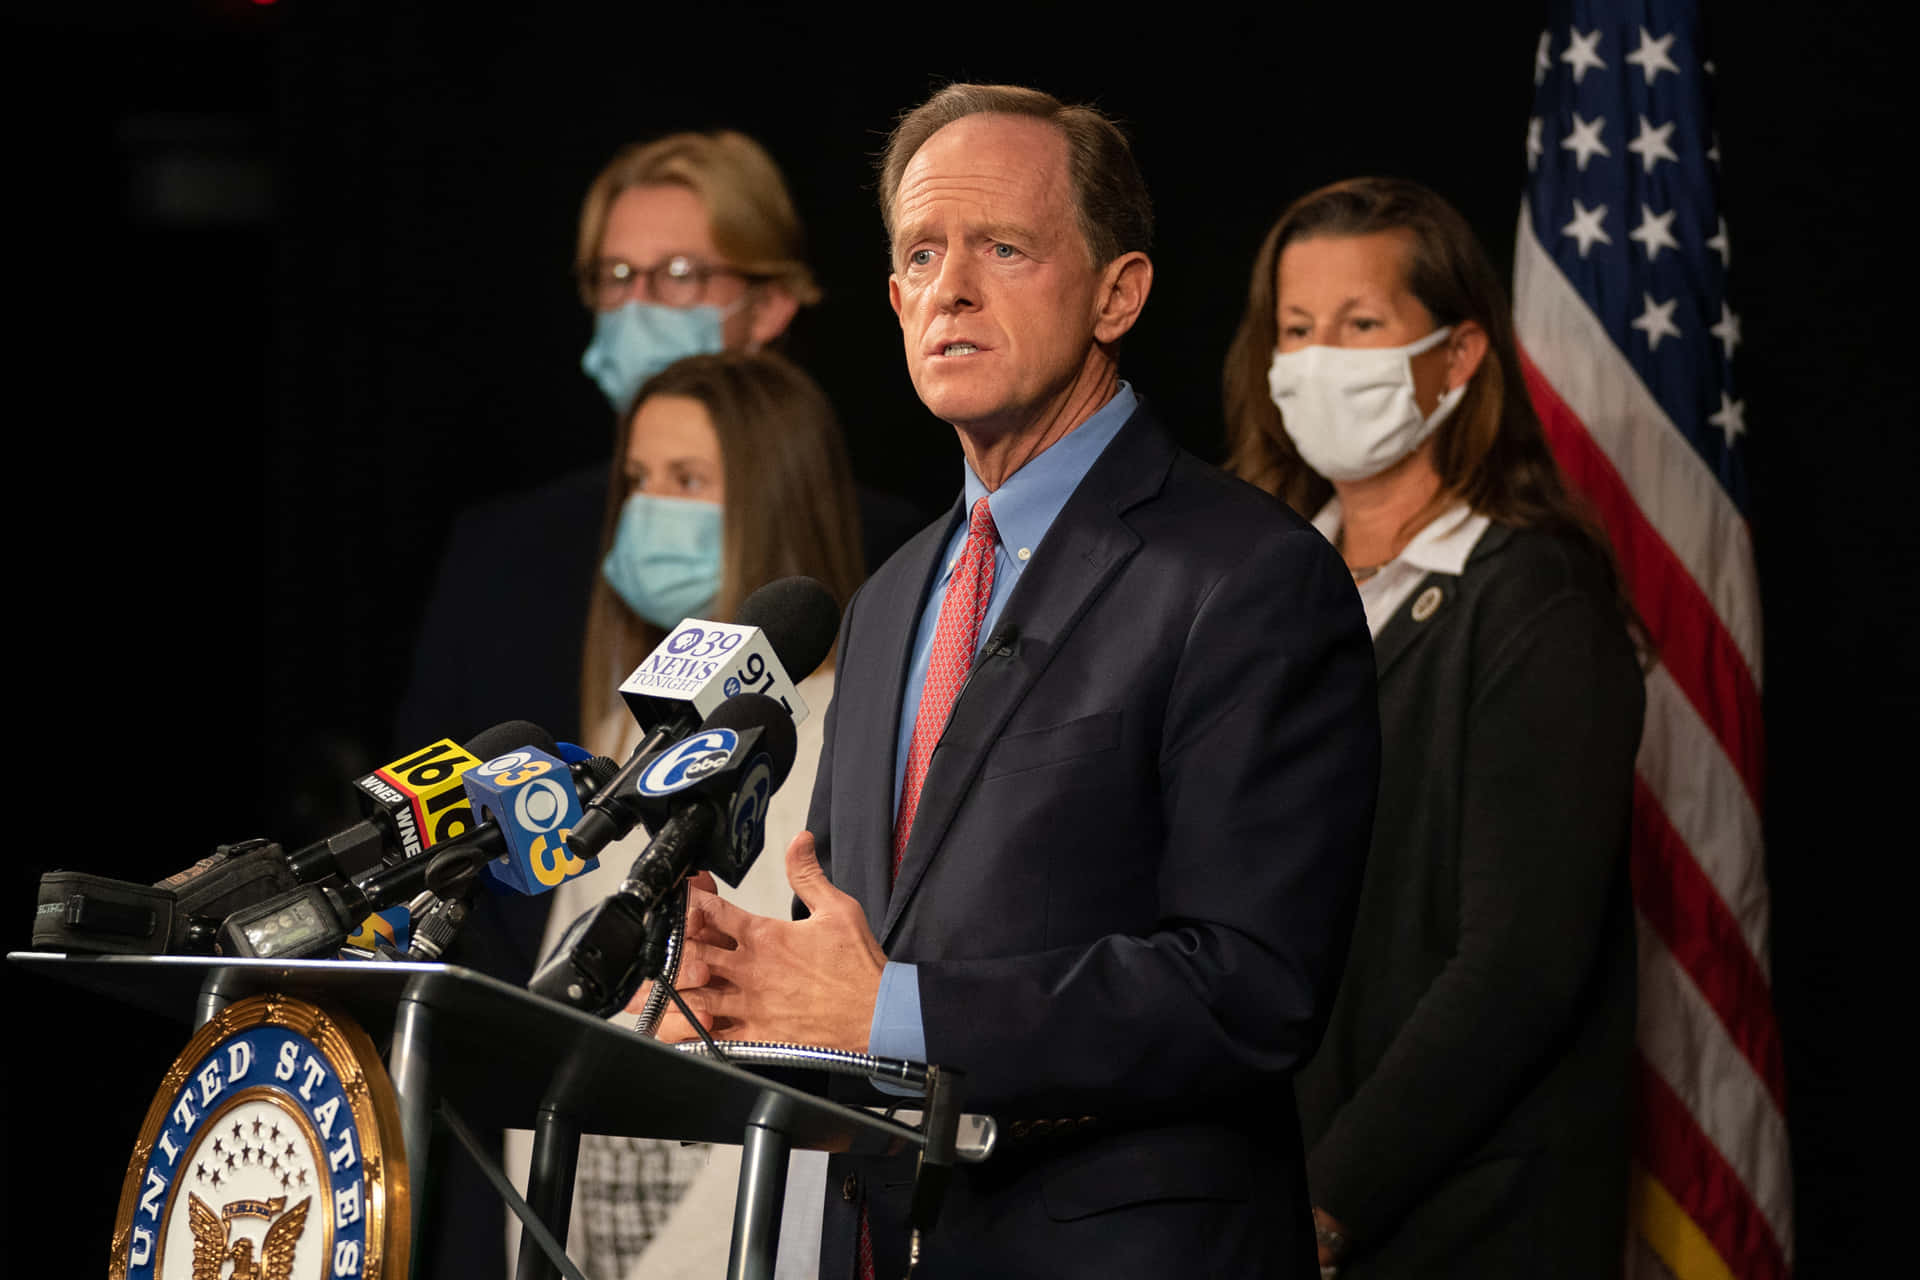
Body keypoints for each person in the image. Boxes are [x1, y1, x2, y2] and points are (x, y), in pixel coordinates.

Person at [656, 84, 1381, 1278]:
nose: (951, 286)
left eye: (1004, 247)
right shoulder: (886, 599)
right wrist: (735, 986)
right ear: (893, 302)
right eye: (923, 255)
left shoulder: (1249, 575)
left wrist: (895, 1012)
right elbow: (843, 950)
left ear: (1118, 292)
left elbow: (1251, 986)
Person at [1221, 176, 1644, 1276]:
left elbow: (1520, 963)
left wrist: (1329, 1196)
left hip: (1459, 1223)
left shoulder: (1533, 598)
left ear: (1457, 357)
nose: (1320, 360)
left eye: (1361, 325)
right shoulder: (1252, 588)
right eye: (1298, 329)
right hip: (1249, 1189)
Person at [506, 348, 867, 1279]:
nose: (649, 508)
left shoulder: (846, 734)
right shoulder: (618, 740)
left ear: (771, 496)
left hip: (739, 1219)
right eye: (637, 481)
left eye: (688, 480)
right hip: (572, 1213)